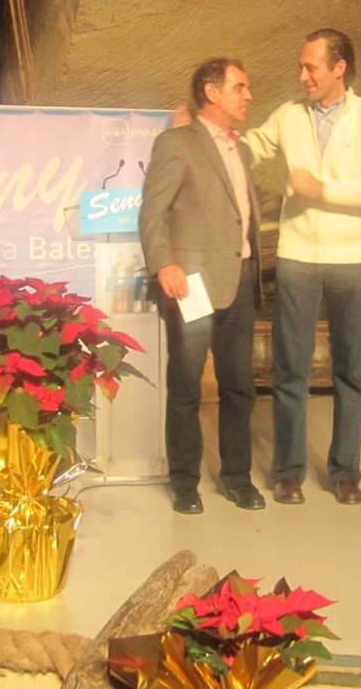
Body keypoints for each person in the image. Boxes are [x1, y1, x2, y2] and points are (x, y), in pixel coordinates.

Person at [243, 28, 361, 505]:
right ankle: (288, 472)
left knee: (351, 370)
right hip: (298, 257)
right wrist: (209, 136)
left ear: (339, 68)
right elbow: (252, 146)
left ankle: (345, 472)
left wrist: (323, 189)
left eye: (310, 67)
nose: (302, 75)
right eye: (302, 66)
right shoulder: (289, 115)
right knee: (289, 367)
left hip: (354, 260)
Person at [139, 58, 265, 514]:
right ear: (212, 92)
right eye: (240, 87)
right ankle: (184, 482)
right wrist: (164, 264)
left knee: (239, 386)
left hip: (239, 279)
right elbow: (153, 212)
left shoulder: (241, 149)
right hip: (191, 282)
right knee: (187, 386)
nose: (249, 95)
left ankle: (237, 478)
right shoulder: (177, 143)